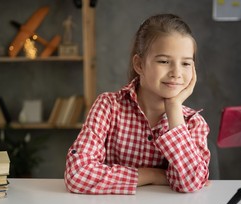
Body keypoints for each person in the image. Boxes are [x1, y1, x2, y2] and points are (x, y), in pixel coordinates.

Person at [64, 14, 210, 194]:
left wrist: (173, 107)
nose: (177, 73)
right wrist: (154, 175)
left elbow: (191, 183)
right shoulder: (108, 106)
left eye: (186, 63)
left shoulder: (193, 122)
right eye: (164, 61)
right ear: (139, 64)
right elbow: (77, 175)